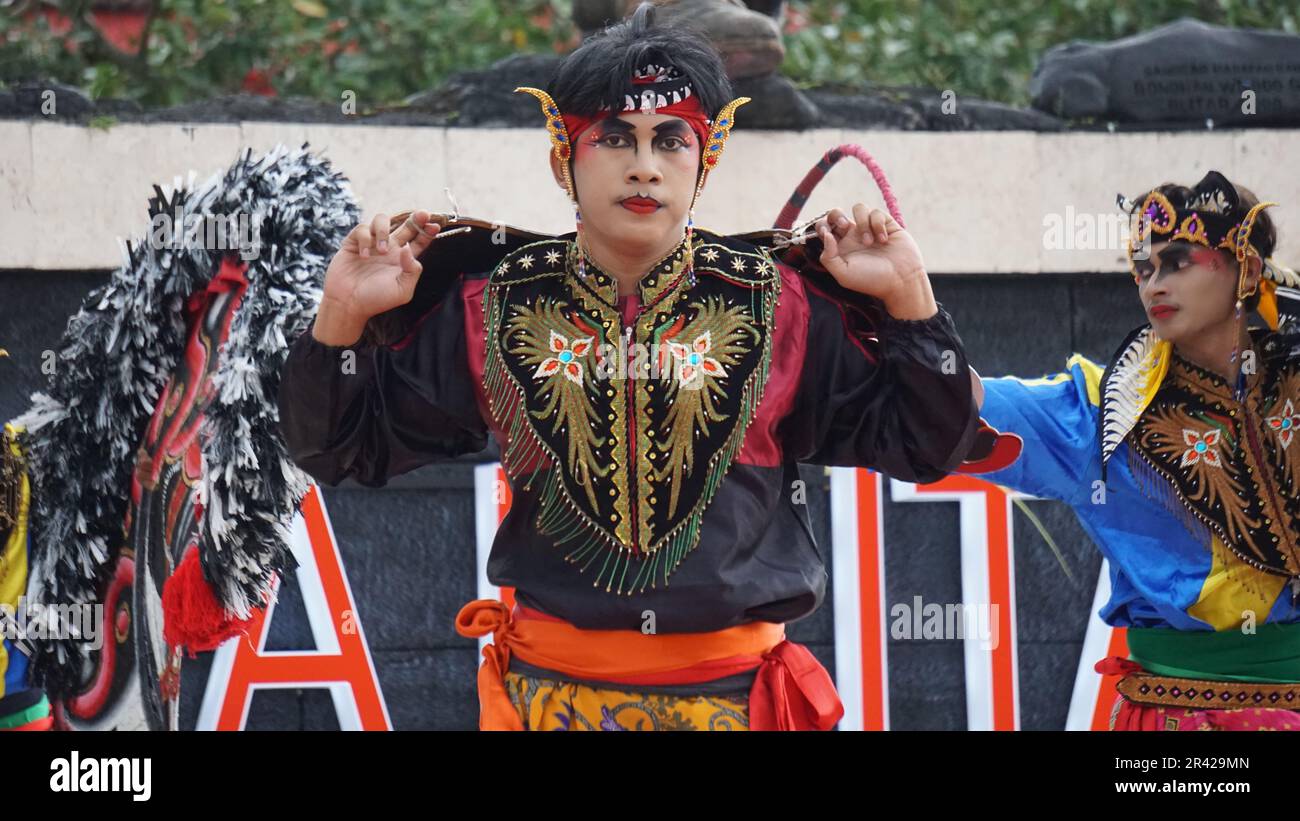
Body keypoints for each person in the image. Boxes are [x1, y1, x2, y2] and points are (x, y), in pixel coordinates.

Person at [278, 3, 982, 731]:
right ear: (564, 159)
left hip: (737, 706)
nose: (644, 165)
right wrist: (342, 317)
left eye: (671, 140)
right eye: (614, 138)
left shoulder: (783, 305)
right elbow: (339, 448)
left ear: (704, 161)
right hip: (551, 703)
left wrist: (910, 298)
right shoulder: (490, 307)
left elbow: (927, 445)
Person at [969, 170, 1300, 731]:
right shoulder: (1102, 417)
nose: (1153, 285)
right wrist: (909, 306)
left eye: (1177, 262)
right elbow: (961, 403)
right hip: (1178, 722)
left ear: (1243, 268)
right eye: (1144, 269)